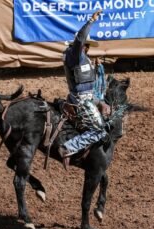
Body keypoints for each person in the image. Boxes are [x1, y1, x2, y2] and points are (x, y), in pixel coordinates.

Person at [59, 9, 110, 169]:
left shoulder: (83, 58)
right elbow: (80, 38)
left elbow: (91, 84)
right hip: (80, 100)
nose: (86, 47)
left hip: (88, 97)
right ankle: (68, 147)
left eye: (87, 46)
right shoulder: (74, 55)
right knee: (100, 130)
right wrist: (91, 21)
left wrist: (100, 100)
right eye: (85, 45)